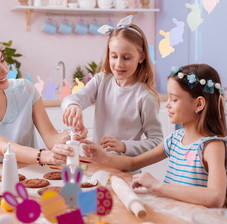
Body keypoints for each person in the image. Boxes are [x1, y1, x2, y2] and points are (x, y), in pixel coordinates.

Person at [83, 64, 227, 209]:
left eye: (174, 99)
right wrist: (103, 157)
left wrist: (157, 186)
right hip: (173, 215)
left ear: (199, 104)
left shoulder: (212, 146)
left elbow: (215, 197)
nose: (167, 104)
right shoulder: (175, 139)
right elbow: (133, 163)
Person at [0, 34, 86, 165]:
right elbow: (2, 146)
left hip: (29, 174)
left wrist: (71, 137)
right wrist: (45, 156)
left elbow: (51, 138)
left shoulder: (25, 90)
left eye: (2, 60)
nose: (4, 70)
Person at [61, 15, 163, 156]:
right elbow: (73, 98)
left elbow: (156, 141)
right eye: (114, 56)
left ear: (141, 57)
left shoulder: (145, 97)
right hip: (97, 165)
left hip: (125, 171)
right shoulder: (101, 81)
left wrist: (123, 146)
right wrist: (73, 106)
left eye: (126, 58)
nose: (119, 64)